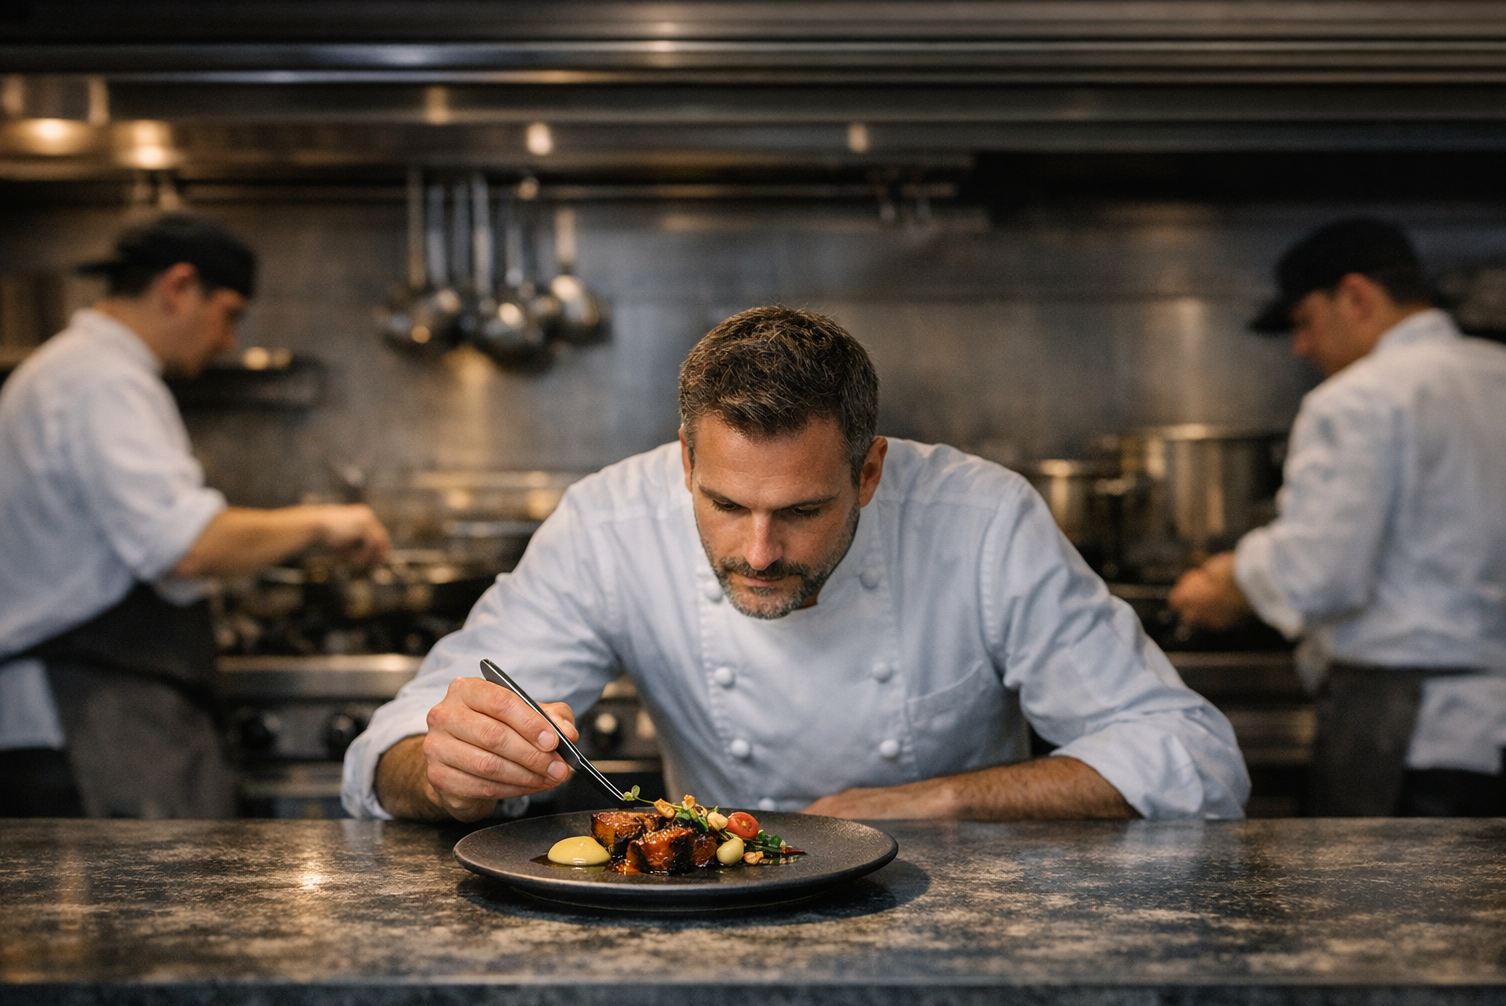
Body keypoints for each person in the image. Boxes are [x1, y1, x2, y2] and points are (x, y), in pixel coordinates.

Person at [344, 306, 1247, 823]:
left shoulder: (981, 520)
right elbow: (384, 757)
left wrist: (927, 804)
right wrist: (448, 768)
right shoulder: (609, 521)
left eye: (804, 511)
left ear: (869, 470)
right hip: (721, 917)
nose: (759, 551)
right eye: (727, 505)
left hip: (966, 925)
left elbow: (1192, 759)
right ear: (686, 465)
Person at [0, 213, 392, 819]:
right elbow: (186, 546)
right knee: (136, 905)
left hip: (91, 699)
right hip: (84, 714)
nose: (228, 342)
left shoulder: (76, 372)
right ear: (179, 287)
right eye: (229, 313)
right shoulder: (100, 381)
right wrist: (324, 522)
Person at [1169, 217, 1506, 817]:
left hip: (1412, 740)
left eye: (1304, 322)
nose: (1301, 347)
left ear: (1356, 296)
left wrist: (1228, 579)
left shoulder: (1358, 398)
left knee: (1385, 911)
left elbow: (1317, 575)